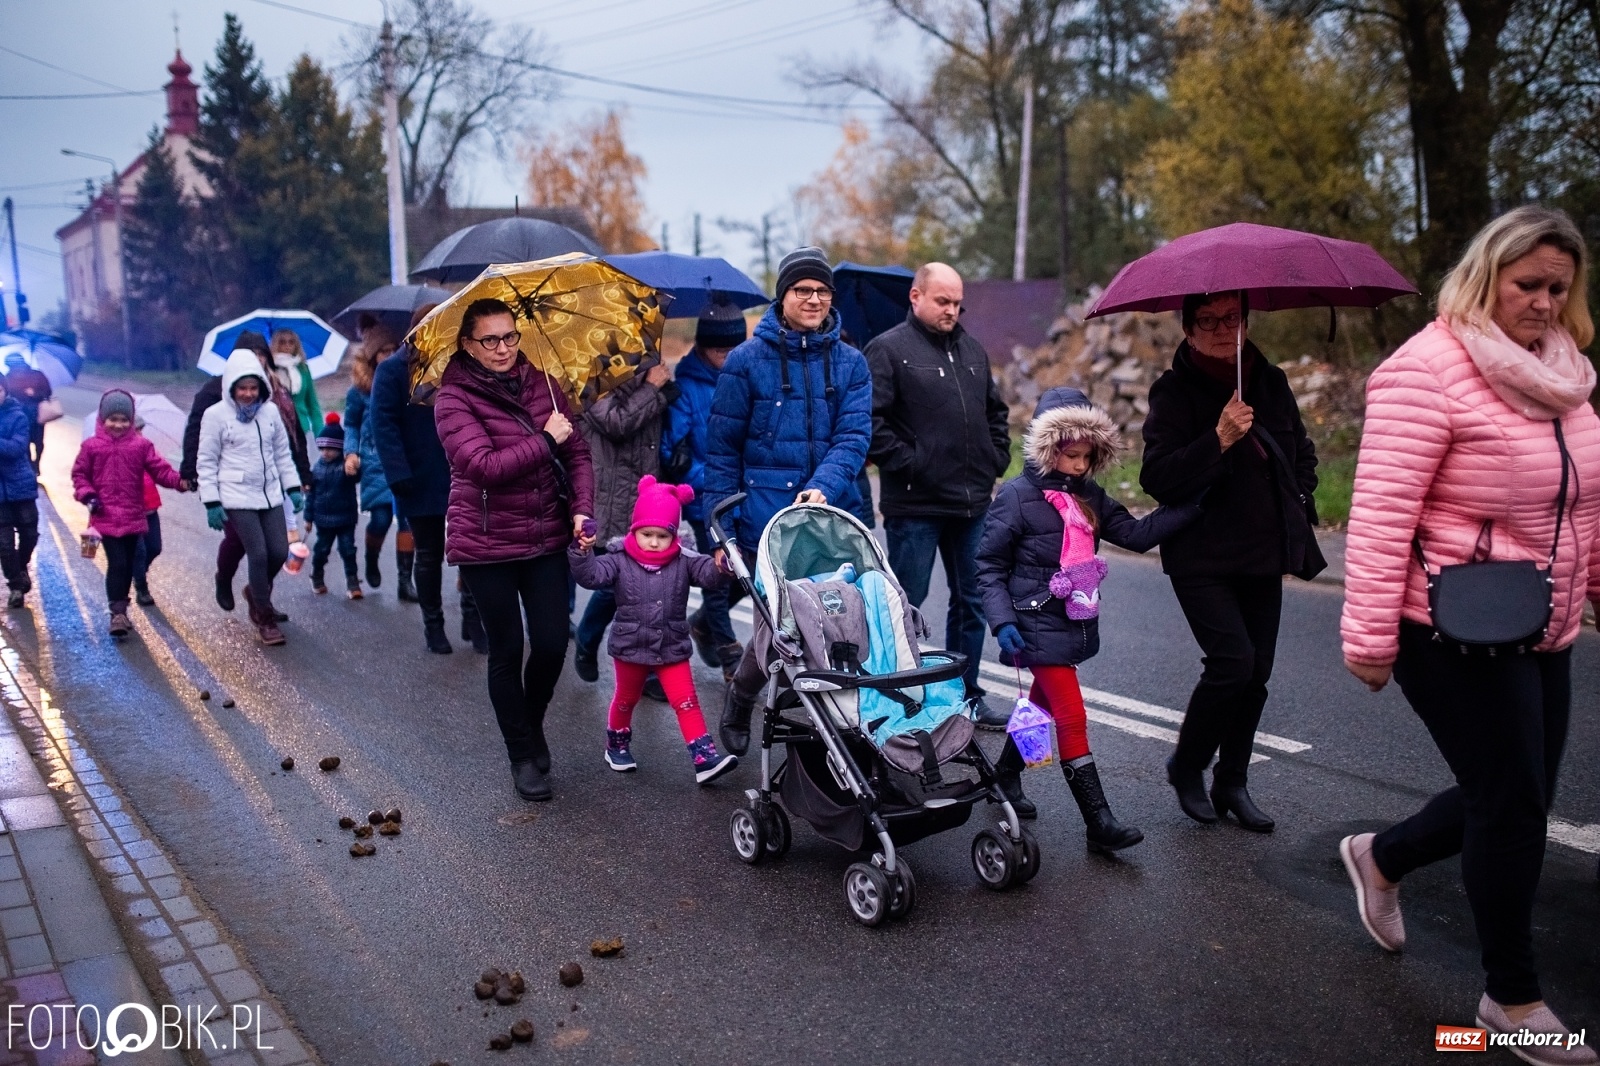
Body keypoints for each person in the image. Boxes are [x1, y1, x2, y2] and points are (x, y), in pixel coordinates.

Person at [1338, 207, 1600, 1063]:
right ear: (1487, 276)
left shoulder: (1565, 371)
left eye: (1560, 288)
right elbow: (1378, 517)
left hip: (1542, 619)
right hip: (1446, 623)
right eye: (1528, 285)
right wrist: (1369, 637)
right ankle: (1509, 998)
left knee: (1514, 796)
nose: (1545, 303)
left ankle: (1380, 856)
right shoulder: (1428, 371)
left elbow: (1583, 502)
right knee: (1513, 802)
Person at [977, 387, 1198, 849]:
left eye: (1086, 456)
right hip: (1031, 619)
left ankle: (1003, 777)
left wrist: (1191, 508)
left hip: (1072, 617)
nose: (1079, 466)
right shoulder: (1016, 498)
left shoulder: (1088, 495)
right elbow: (990, 566)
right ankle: (1099, 822)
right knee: (1071, 716)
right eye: (1070, 456)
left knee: (1038, 705)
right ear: (1045, 448)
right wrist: (1002, 622)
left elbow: (1135, 535)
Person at [1140, 290, 1318, 832]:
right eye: (1209, 321)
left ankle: (1232, 781)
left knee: (1257, 674)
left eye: (1232, 318)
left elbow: (1301, 453)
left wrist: (1299, 494)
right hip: (1203, 555)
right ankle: (1188, 765)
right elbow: (1157, 477)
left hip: (1263, 550)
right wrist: (1218, 439)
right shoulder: (1173, 393)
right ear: (1189, 329)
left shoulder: (1271, 381)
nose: (1223, 329)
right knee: (1232, 664)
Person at [704, 247, 873, 756]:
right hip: (765, 521)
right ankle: (741, 698)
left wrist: (825, 483)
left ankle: (845, 731)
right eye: (803, 290)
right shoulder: (745, 362)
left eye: (822, 291)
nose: (814, 299)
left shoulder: (851, 361)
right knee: (776, 635)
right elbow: (722, 450)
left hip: (836, 514)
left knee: (848, 623)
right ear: (784, 296)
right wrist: (724, 533)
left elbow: (854, 435)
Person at [435, 298, 594, 802]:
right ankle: (521, 754)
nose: (503, 348)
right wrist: (546, 441)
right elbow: (484, 465)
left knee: (551, 643)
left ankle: (531, 723)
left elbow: (579, 451)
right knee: (506, 650)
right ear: (468, 345)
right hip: (485, 543)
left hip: (545, 531)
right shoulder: (452, 399)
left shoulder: (542, 383)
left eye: (510, 337)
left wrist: (582, 509)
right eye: (490, 340)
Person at [866, 262, 1012, 728]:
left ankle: (964, 692)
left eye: (957, 303)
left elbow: (996, 412)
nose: (952, 310)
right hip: (916, 505)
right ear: (916, 297)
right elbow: (871, 424)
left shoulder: (972, 350)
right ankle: (896, 695)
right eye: (943, 301)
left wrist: (996, 458)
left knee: (972, 601)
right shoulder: (888, 350)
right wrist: (917, 464)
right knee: (906, 602)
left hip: (972, 503)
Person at [570, 475, 738, 784]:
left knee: (686, 700)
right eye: (647, 533)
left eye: (663, 535)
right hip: (630, 647)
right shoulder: (619, 558)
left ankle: (704, 758)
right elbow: (591, 576)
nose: (654, 541)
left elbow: (709, 574)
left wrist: (723, 566)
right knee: (625, 699)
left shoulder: (684, 559)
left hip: (671, 647)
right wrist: (582, 553)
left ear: (673, 535)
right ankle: (616, 745)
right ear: (635, 529)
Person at [370, 305, 487, 654]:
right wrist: (398, 473)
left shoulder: (457, 365)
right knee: (429, 552)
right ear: (416, 328)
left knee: (472, 551)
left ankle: (472, 620)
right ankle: (433, 625)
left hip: (463, 470)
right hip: (417, 475)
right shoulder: (393, 370)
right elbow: (383, 423)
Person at [183, 331, 310, 617]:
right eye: (243, 388)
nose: (249, 393)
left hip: (268, 492)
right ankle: (262, 613)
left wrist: (294, 485)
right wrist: (211, 501)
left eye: (254, 387)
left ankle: (257, 593)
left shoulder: (271, 409)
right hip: (235, 494)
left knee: (278, 552)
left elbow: (284, 451)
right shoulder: (215, 410)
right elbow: (204, 455)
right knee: (257, 552)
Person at [570, 354, 677, 688]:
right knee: (619, 587)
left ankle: (644, 671)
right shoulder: (586, 374)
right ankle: (587, 640)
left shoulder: (648, 368)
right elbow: (616, 423)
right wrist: (653, 389)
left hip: (647, 495)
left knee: (648, 588)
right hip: (610, 499)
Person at [662, 300, 747, 683]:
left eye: (734, 350)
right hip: (705, 498)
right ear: (700, 347)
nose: (727, 357)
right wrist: (715, 480)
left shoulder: (746, 377)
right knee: (719, 571)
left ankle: (702, 624)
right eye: (719, 350)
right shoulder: (685, 387)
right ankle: (730, 654)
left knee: (753, 572)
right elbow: (673, 452)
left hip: (746, 494)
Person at [71, 391, 186, 637]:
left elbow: (160, 470)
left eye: (124, 420)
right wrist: (89, 495)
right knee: (118, 563)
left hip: (135, 517)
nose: (119, 425)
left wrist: (181, 482)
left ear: (132, 420)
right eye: (113, 419)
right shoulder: (91, 447)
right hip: (105, 516)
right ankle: (118, 612)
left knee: (130, 562)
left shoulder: (141, 446)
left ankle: (122, 605)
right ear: (103, 419)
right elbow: (80, 475)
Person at [343, 323, 414, 600]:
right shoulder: (359, 392)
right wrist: (351, 452)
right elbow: (351, 425)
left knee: (408, 521)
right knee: (382, 519)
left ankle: (405, 582)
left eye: (393, 348)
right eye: (382, 350)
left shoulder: (405, 381)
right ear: (372, 355)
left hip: (404, 457)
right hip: (374, 461)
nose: (388, 354)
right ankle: (372, 557)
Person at [306, 414, 362, 598]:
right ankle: (317, 575)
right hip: (323, 519)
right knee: (322, 549)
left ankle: (353, 583)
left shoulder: (346, 467)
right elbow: (311, 495)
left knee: (348, 549)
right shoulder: (317, 469)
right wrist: (308, 518)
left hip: (345, 517)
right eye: (323, 448)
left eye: (331, 448)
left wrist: (354, 464)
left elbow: (356, 477)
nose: (326, 452)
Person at [0, 377, 40, 608]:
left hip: (21, 486)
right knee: (4, 545)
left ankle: (21, 566)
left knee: (30, 535)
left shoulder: (18, 415)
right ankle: (16, 584)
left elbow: (17, 448)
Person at [129, 417, 165, 608]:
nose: (140, 434)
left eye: (141, 430)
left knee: (154, 548)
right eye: (136, 431)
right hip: (131, 514)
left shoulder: (146, 449)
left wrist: (181, 480)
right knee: (139, 552)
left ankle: (137, 573)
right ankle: (142, 588)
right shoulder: (116, 454)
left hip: (150, 509)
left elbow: (161, 469)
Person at [269, 328, 323, 436]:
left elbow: (313, 404)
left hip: (302, 427)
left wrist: (320, 434)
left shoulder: (303, 369)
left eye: (291, 342)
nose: (287, 345)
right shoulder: (270, 369)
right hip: (276, 428)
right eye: (282, 342)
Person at [4, 354, 51, 474]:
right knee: (25, 442)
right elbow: (7, 395)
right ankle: (31, 466)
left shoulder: (36, 375)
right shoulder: (8, 377)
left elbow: (47, 392)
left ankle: (36, 463)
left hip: (36, 415)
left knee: (38, 442)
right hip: (20, 415)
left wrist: (35, 393)